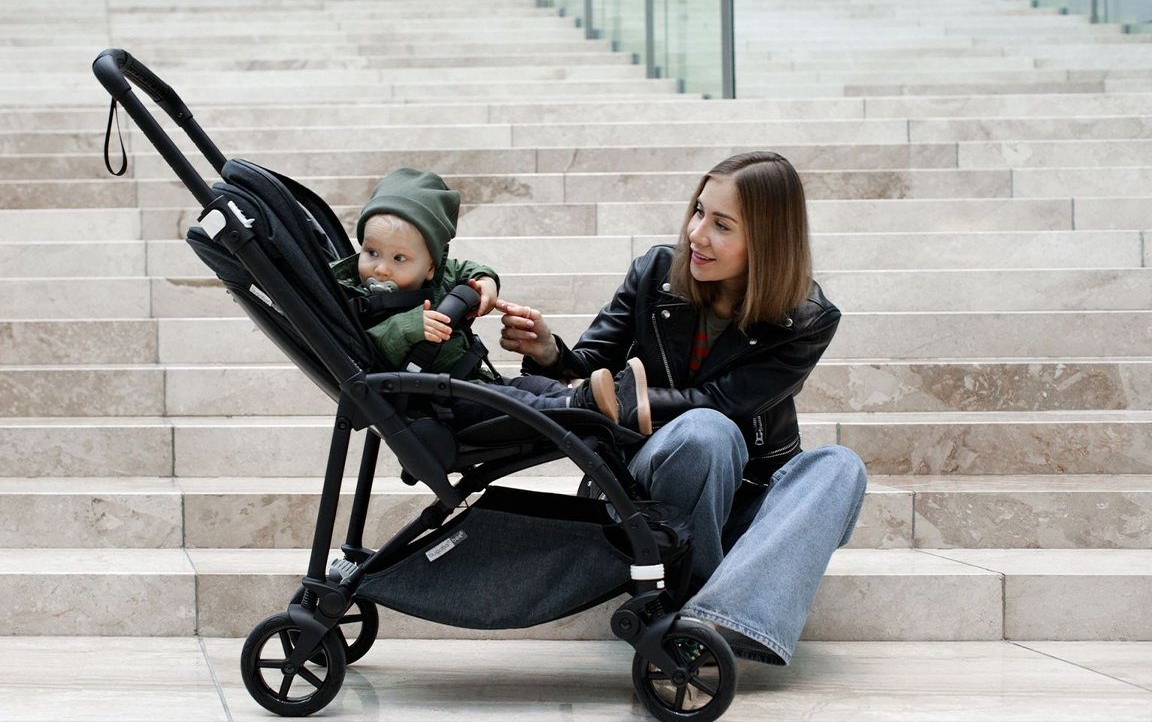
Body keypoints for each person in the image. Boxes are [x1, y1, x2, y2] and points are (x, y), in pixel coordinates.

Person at [497, 151, 867, 666]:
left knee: (841, 467)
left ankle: (714, 618)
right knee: (704, 434)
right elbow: (589, 367)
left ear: (767, 238)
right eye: (698, 211)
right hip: (648, 496)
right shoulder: (655, 272)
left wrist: (621, 397)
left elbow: (726, 402)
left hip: (743, 500)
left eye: (721, 225)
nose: (696, 234)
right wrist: (548, 352)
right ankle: (700, 613)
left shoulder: (806, 319)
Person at [330, 167, 652, 432]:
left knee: (534, 388)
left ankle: (598, 399)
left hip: (473, 381)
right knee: (517, 401)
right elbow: (370, 342)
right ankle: (579, 407)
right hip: (442, 403)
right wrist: (411, 326)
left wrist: (485, 283)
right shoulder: (361, 298)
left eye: (399, 258)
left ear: (430, 266)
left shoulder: (439, 276)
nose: (381, 269)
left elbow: (467, 268)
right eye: (371, 252)